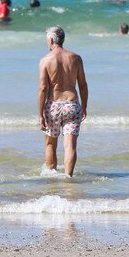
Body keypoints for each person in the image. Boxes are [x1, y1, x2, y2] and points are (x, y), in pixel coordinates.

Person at [38, 26, 88, 177]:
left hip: (53, 105)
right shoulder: (75, 58)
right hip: (72, 105)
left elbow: (42, 88)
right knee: (70, 145)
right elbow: (83, 85)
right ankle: (68, 177)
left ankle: (52, 176)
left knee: (50, 143)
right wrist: (84, 107)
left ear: (51, 40)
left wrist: (40, 114)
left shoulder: (45, 60)